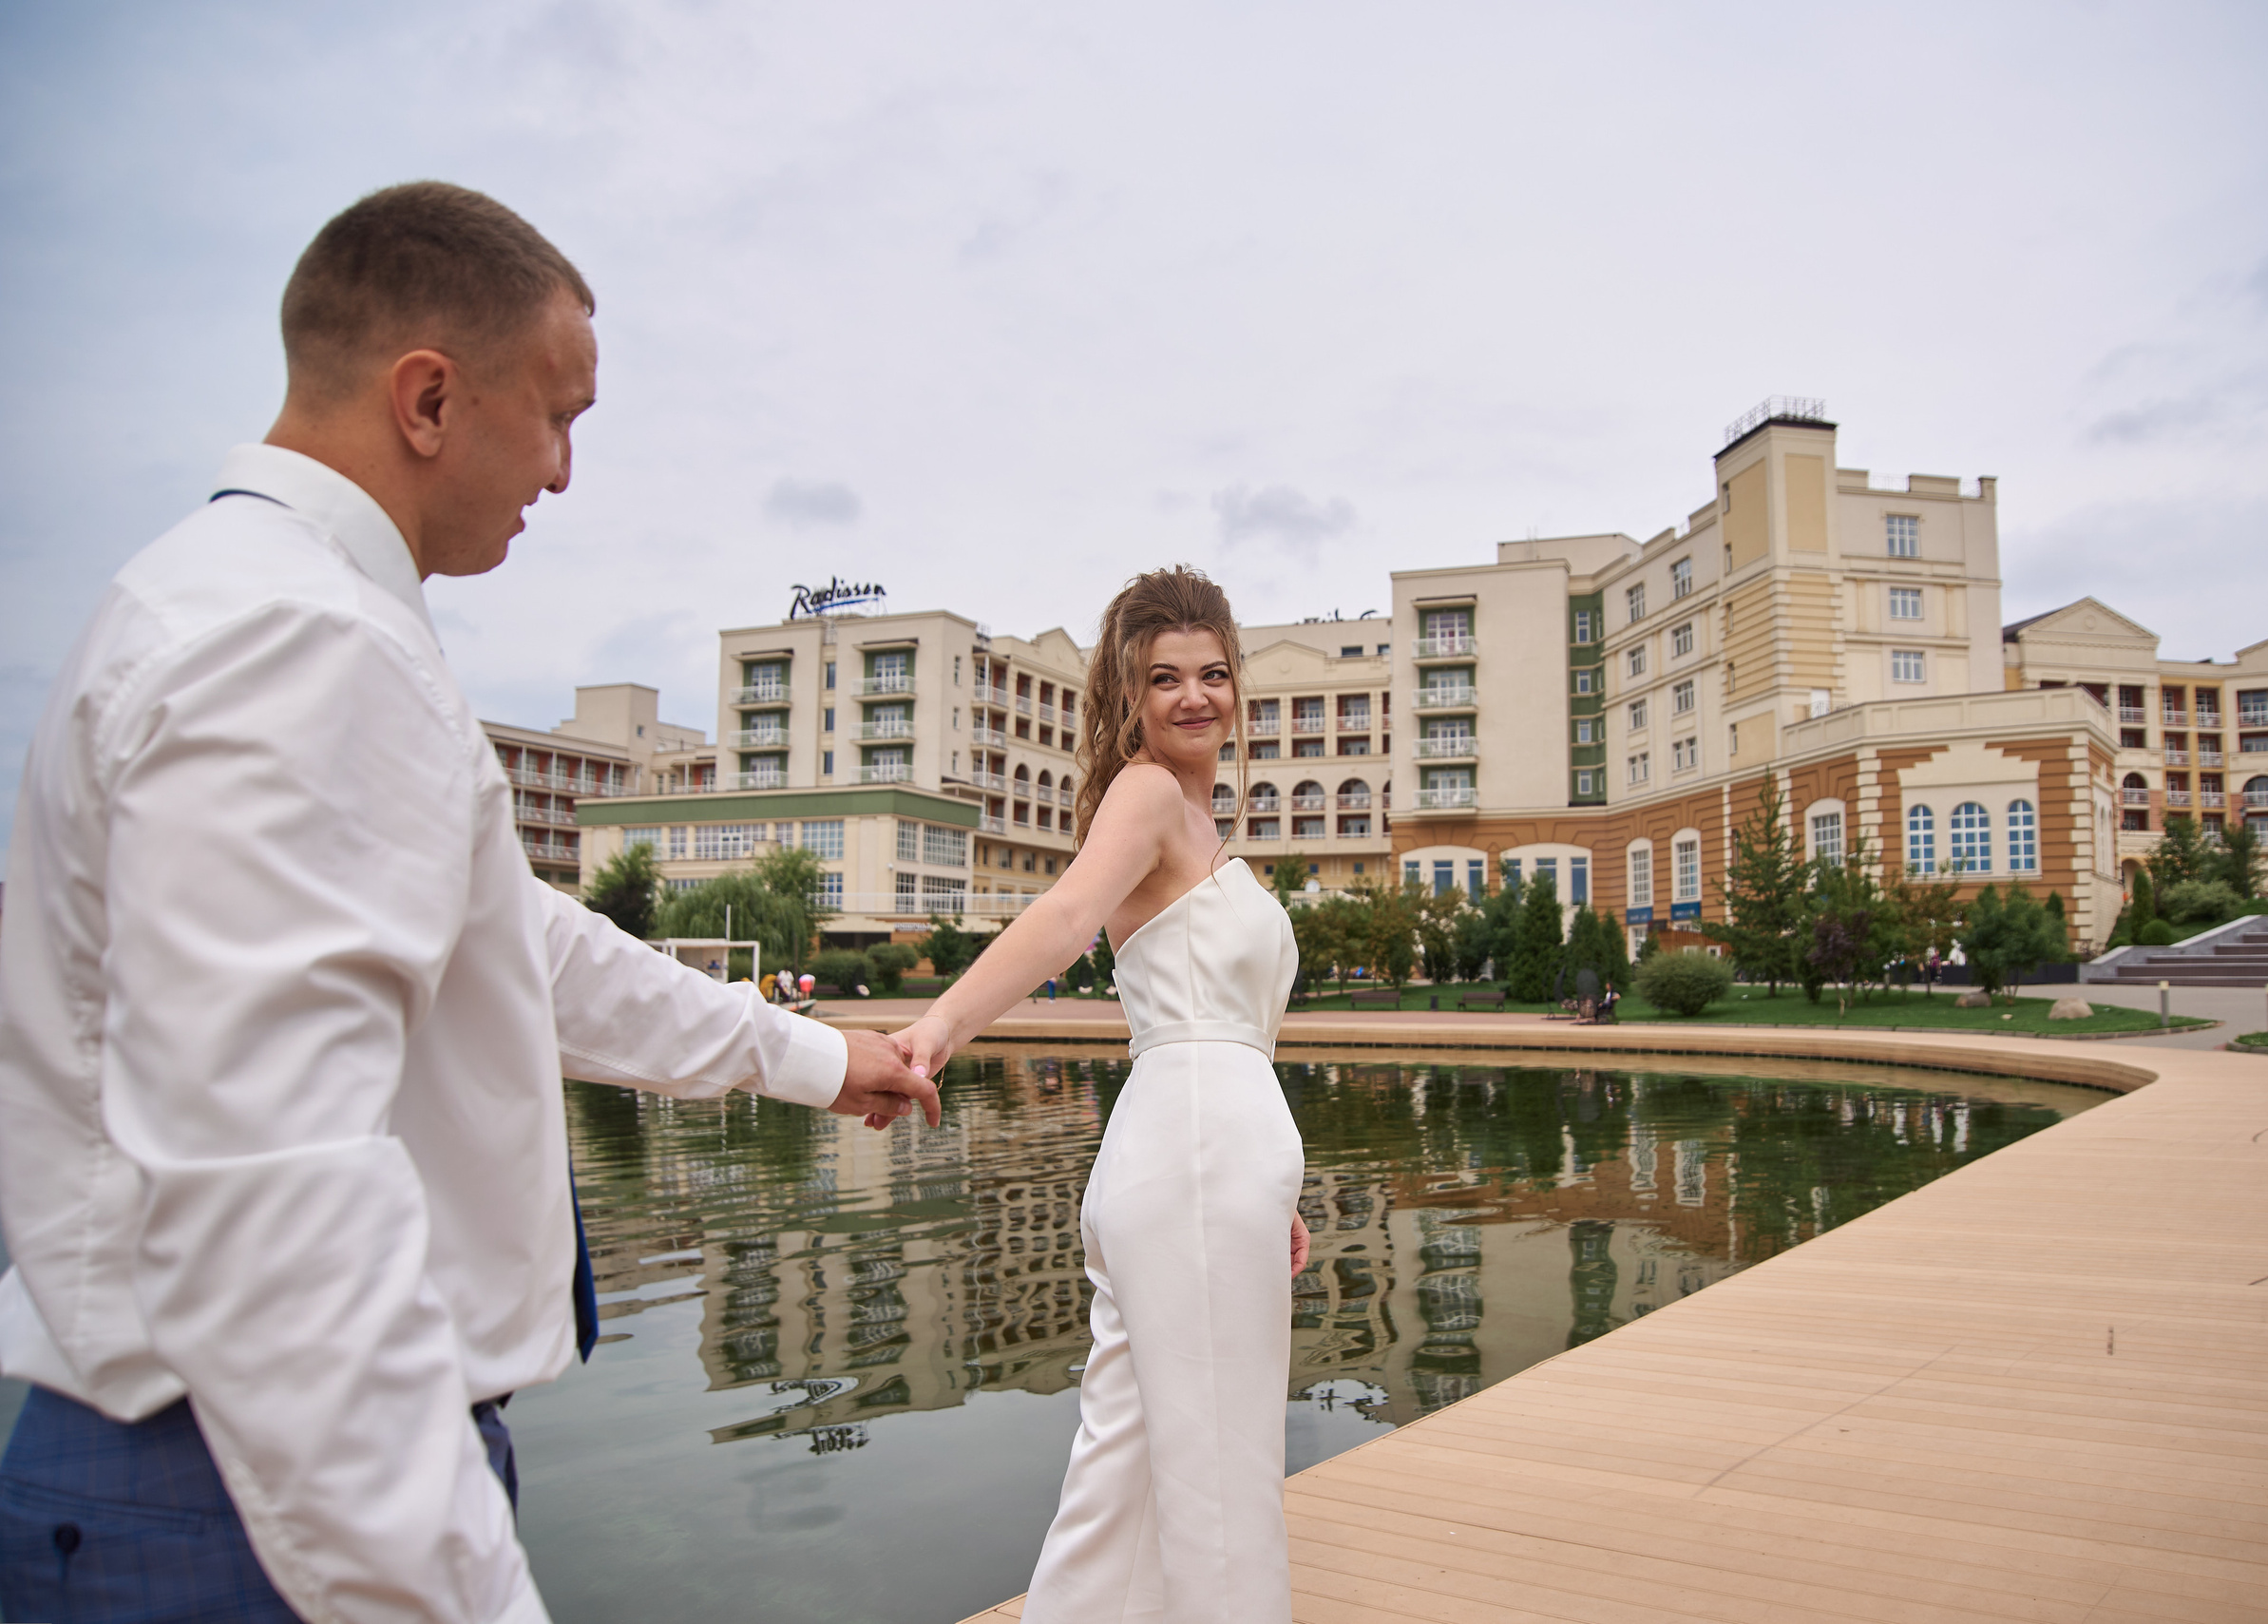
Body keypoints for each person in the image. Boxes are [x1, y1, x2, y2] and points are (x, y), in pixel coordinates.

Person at [0, 182, 936, 1624]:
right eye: (558, 416)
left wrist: (816, 1057)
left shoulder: (244, 602)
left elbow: (523, 943)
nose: (562, 470)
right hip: (244, 1495)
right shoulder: (299, 642)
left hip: (223, 1473)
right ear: (429, 399)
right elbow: (276, 1203)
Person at [888, 566, 1306, 1623]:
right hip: (1193, 1157)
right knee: (1221, 1470)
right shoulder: (1148, 794)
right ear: (1129, 695)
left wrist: (1275, 1192)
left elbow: (1235, 1034)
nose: (1193, 696)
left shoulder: (1203, 826)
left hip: (1205, 1163)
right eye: (1164, 677)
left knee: (1127, 1461)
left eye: (1212, 673)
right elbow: (1066, 916)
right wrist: (940, 1027)